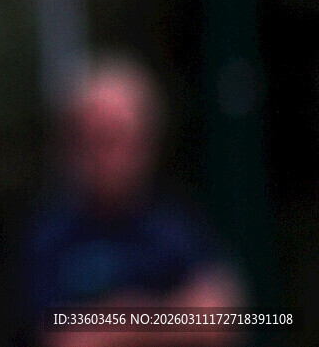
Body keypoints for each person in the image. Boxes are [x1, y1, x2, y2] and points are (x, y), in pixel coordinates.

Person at [18, 56, 245, 347]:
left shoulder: (176, 226)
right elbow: (63, 339)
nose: (106, 156)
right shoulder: (49, 237)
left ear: (148, 143)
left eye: (118, 138)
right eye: (93, 140)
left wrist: (124, 320)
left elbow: (220, 316)